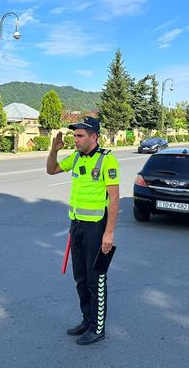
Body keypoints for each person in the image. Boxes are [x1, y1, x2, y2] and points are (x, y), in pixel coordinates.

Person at [46, 116, 120, 345]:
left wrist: (109, 233)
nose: (75, 139)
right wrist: (53, 150)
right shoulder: (76, 158)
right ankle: (87, 320)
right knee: (80, 277)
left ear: (93, 137)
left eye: (80, 135)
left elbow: (115, 200)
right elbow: (52, 170)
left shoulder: (107, 161)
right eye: (74, 135)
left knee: (95, 278)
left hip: (96, 229)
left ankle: (98, 328)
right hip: (76, 225)